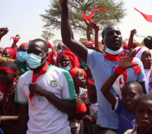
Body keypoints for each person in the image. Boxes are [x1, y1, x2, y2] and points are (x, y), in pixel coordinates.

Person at [60, 0, 145, 132]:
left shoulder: (136, 62)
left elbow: (143, 94)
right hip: (107, 126)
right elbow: (68, 40)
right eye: (109, 34)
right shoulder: (95, 58)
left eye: (118, 33)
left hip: (133, 124)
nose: (115, 36)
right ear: (103, 41)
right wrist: (64, 7)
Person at [15, 38, 77, 134]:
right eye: (29, 52)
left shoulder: (62, 74)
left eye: (36, 52)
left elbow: (71, 108)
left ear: (46, 55)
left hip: (59, 131)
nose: (31, 56)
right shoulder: (23, 79)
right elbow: (23, 113)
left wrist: (45, 93)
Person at [101, 50, 143, 134]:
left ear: (141, 96)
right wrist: (119, 69)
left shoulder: (147, 111)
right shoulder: (122, 107)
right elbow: (104, 90)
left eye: (132, 95)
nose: (127, 98)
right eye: (123, 95)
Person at [0, 62, 19, 134]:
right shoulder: (6, 89)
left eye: (5, 73)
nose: (1, 76)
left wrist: (1, 118)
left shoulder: (17, 91)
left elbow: (24, 116)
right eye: (0, 73)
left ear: (14, 75)